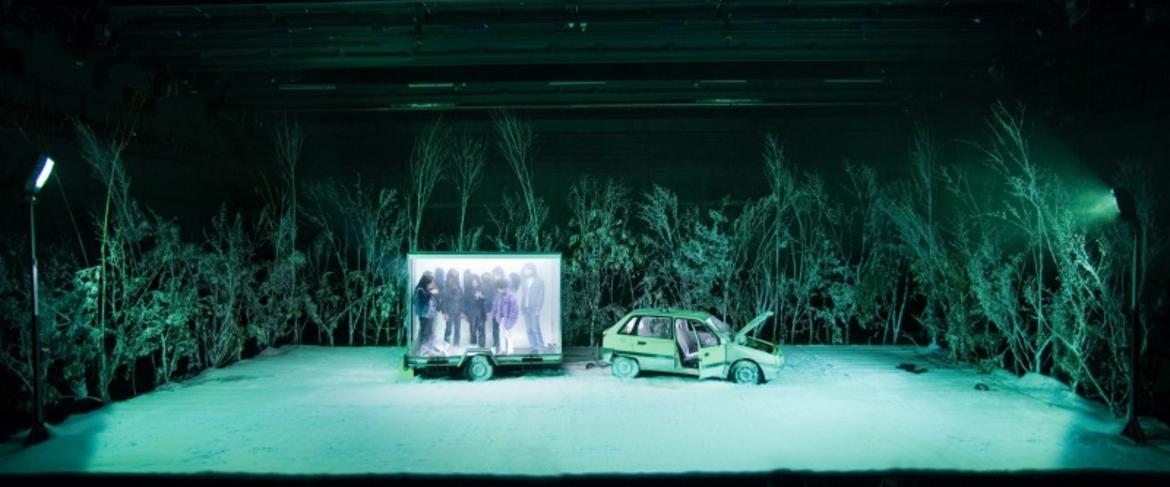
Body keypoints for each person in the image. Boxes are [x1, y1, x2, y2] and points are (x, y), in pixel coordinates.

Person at [520, 262, 545, 354]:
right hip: (526, 308)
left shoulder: (539, 281)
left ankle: (541, 348)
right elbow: (523, 295)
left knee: (535, 328)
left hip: (534, 308)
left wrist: (538, 309)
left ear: (533, 270)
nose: (526, 271)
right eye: (525, 269)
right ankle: (533, 347)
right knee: (529, 329)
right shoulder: (524, 281)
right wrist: (522, 307)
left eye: (528, 269)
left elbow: (541, 296)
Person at [490, 279, 519, 355]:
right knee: (501, 334)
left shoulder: (512, 297)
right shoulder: (498, 296)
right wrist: (493, 314)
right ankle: (502, 350)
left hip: (508, 319)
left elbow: (514, 311)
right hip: (500, 318)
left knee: (508, 335)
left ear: (505, 287)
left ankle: (510, 351)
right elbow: (495, 306)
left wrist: (510, 322)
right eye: (498, 289)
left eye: (500, 288)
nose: (499, 290)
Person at [413, 274, 439, 355]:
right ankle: (422, 350)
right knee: (424, 333)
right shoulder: (420, 290)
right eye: (430, 283)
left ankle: (428, 349)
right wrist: (431, 293)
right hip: (424, 315)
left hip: (429, 315)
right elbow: (424, 300)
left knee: (429, 332)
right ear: (425, 282)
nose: (431, 284)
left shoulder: (425, 289)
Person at [463, 274, 489, 348]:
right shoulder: (467, 291)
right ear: (471, 282)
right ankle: (473, 347)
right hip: (472, 313)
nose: (475, 283)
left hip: (481, 312)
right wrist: (465, 314)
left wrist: (482, 297)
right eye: (473, 282)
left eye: (476, 282)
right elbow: (464, 302)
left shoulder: (483, 289)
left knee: (482, 331)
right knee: (473, 331)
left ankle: (482, 347)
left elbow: (487, 301)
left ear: (478, 282)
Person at [441, 268, 464, 347]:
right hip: (449, 312)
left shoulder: (459, 287)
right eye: (452, 277)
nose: (453, 279)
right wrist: (444, 313)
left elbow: (461, 300)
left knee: (457, 329)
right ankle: (446, 345)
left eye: (455, 276)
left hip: (458, 312)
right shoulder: (446, 288)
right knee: (449, 329)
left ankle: (456, 345)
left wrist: (462, 312)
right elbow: (443, 301)